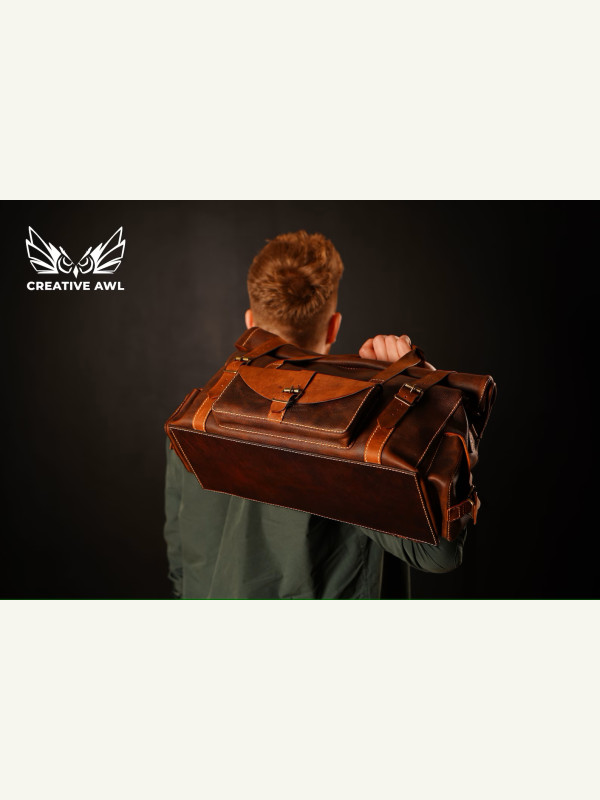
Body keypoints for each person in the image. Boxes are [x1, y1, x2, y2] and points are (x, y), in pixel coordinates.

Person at [163, 230, 467, 599]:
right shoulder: (360, 430)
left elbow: (181, 560)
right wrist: (420, 407)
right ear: (333, 326)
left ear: (250, 322)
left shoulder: (197, 414)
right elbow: (438, 554)